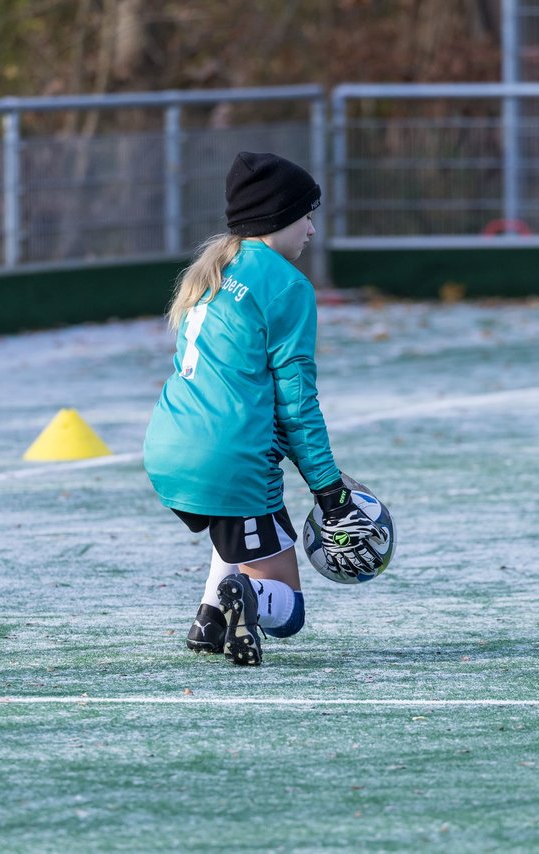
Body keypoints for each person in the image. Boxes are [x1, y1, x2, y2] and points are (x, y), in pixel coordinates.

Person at [143, 151, 385, 667]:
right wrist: (331, 494)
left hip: (167, 445)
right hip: (226, 456)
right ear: (277, 219)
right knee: (289, 612)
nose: (312, 230)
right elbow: (297, 404)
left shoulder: (212, 269)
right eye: (306, 216)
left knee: (238, 517)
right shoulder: (287, 284)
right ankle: (246, 599)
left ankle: (210, 617)